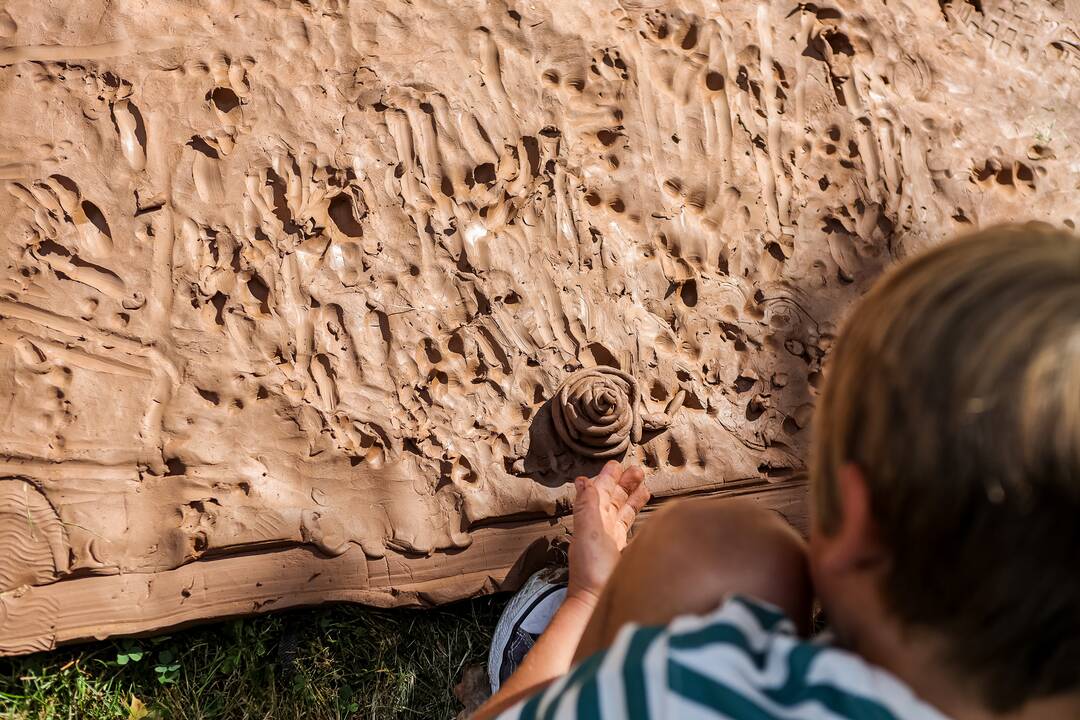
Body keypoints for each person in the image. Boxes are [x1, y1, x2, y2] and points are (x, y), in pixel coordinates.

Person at [473, 224, 1080, 719]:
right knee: (731, 550)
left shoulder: (683, 697)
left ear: (858, 533)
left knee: (713, 549)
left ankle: (569, 659)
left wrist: (589, 597)